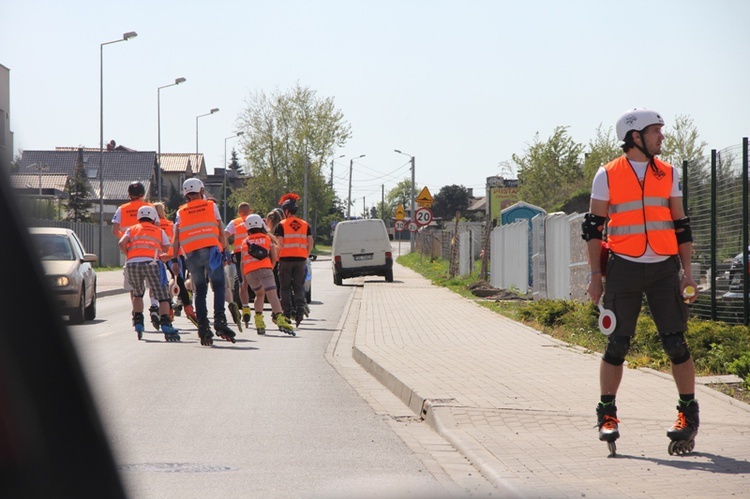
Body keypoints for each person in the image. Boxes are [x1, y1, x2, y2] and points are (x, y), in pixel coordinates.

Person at [583, 108, 700, 455]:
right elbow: (593, 229)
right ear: (635, 137)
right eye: (656, 132)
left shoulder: (669, 172)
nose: (662, 137)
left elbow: (682, 226)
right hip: (624, 267)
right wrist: (595, 276)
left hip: (664, 267)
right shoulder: (607, 175)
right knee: (617, 344)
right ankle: (607, 415)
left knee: (675, 343)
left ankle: (687, 415)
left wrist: (688, 274)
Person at [171, 178, 235, 346]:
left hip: (191, 255)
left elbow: (176, 237)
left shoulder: (181, 211)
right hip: (211, 251)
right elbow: (221, 230)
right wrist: (226, 251)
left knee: (200, 290)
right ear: (201, 190)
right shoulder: (210, 206)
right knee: (219, 285)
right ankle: (220, 321)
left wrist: (174, 259)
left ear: (185, 194)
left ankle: (203, 327)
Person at [118, 205, 180, 342]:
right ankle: (165, 325)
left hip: (132, 264)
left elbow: (121, 243)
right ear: (153, 218)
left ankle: (139, 322)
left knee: (138, 293)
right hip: (152, 263)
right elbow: (166, 249)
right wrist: (161, 255)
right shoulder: (158, 230)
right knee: (163, 297)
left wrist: (129, 255)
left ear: (139, 217)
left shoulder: (132, 229)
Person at [111, 181, 163, 329]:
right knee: (154, 281)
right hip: (150, 252)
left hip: (131, 252)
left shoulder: (122, 209)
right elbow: (157, 227)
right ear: (143, 194)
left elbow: (115, 230)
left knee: (134, 285)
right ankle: (154, 306)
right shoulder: (150, 207)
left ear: (129, 195)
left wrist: (128, 242)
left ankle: (136, 312)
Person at [242, 214, 295, 336]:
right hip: (265, 269)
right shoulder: (266, 238)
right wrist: (270, 268)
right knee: (272, 294)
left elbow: (242, 262)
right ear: (261, 224)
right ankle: (280, 318)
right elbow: (274, 256)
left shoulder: (245, 242)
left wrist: (245, 278)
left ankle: (259, 321)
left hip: (249, 273)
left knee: (259, 294)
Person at [154, 202, 197, 325]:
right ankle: (188, 308)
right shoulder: (169, 224)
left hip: (157, 256)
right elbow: (177, 239)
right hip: (173, 255)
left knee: (161, 284)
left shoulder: (152, 226)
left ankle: (167, 309)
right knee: (178, 280)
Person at [274, 193, 314, 327]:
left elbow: (279, 243)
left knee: (285, 288)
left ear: (285, 211)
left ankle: (286, 313)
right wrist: (305, 254)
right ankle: (300, 311)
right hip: (300, 260)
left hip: (285, 260)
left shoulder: (282, 225)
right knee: (298, 287)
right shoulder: (305, 225)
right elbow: (310, 242)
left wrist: (277, 257)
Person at [225, 202, 253, 328]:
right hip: (254, 254)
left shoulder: (234, 222)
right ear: (250, 211)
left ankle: (245, 308)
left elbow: (224, 236)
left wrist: (226, 250)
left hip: (239, 254)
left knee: (243, 282)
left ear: (239, 212)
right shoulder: (256, 220)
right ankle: (259, 312)